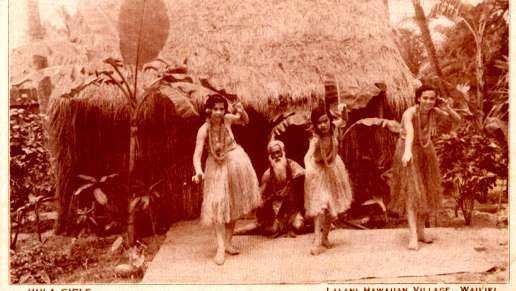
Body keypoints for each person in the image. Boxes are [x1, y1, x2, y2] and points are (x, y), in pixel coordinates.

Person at [389, 84, 461, 250]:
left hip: (426, 151)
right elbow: (410, 132)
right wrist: (407, 152)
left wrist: (448, 108)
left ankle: (421, 232)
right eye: (425, 98)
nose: (429, 101)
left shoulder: (434, 112)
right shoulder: (410, 113)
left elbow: (457, 120)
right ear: (418, 99)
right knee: (413, 194)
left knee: (425, 192)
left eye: (432, 98)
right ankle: (413, 236)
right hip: (408, 151)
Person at [192, 94, 261, 265]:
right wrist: (199, 171)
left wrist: (241, 110)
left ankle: (229, 242)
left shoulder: (228, 120)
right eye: (215, 109)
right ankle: (221, 247)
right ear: (209, 110)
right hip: (215, 167)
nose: (218, 112)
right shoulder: (204, 129)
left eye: (221, 109)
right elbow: (197, 154)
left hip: (235, 162)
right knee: (218, 205)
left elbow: (245, 120)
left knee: (233, 203)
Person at [304, 105, 353, 255]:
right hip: (318, 171)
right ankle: (317, 241)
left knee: (332, 206)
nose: (323, 125)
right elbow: (308, 156)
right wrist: (307, 168)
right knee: (321, 206)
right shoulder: (315, 140)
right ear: (315, 125)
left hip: (333, 169)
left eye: (325, 121)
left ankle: (325, 237)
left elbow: (344, 120)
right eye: (319, 123)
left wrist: (343, 109)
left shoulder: (334, 127)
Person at [255, 139, 307, 237]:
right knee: (272, 230)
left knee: (299, 226)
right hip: (278, 211)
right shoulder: (267, 174)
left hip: (294, 209)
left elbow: (304, 175)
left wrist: (290, 185)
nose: (276, 156)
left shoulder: (292, 165)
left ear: (283, 152)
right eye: (273, 154)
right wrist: (263, 202)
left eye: (278, 152)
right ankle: (270, 226)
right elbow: (260, 196)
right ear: (270, 156)